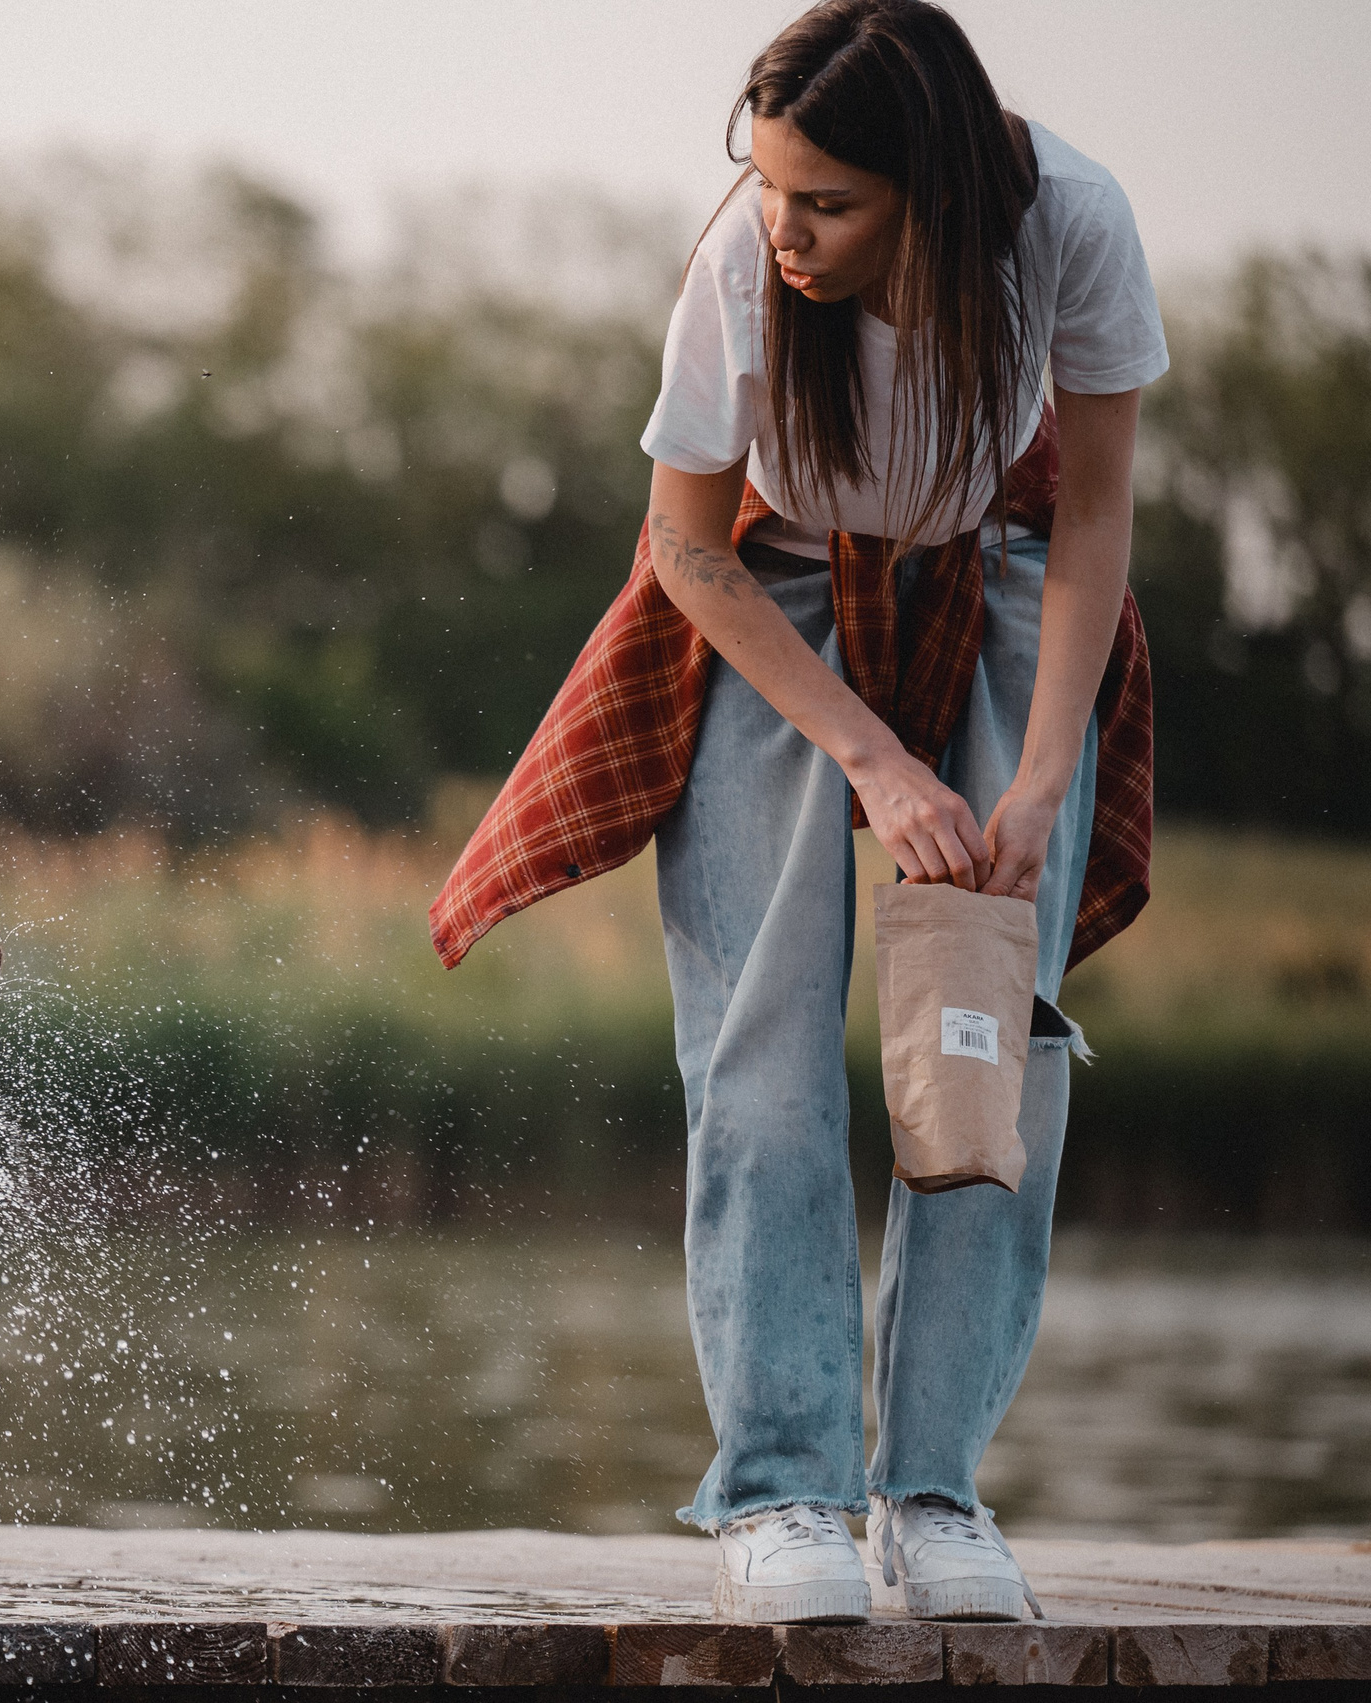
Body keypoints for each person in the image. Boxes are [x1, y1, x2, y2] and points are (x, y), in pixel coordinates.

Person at [430, 0, 1167, 1624]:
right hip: (769, 592)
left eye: (827, 201)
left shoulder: (1072, 220)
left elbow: (1099, 509)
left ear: (933, 194)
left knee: (992, 1045)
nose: (785, 226)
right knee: (760, 1048)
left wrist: (1041, 776)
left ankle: (933, 1495)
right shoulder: (741, 270)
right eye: (768, 184)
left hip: (1009, 575)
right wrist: (876, 762)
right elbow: (686, 547)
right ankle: (785, 1494)